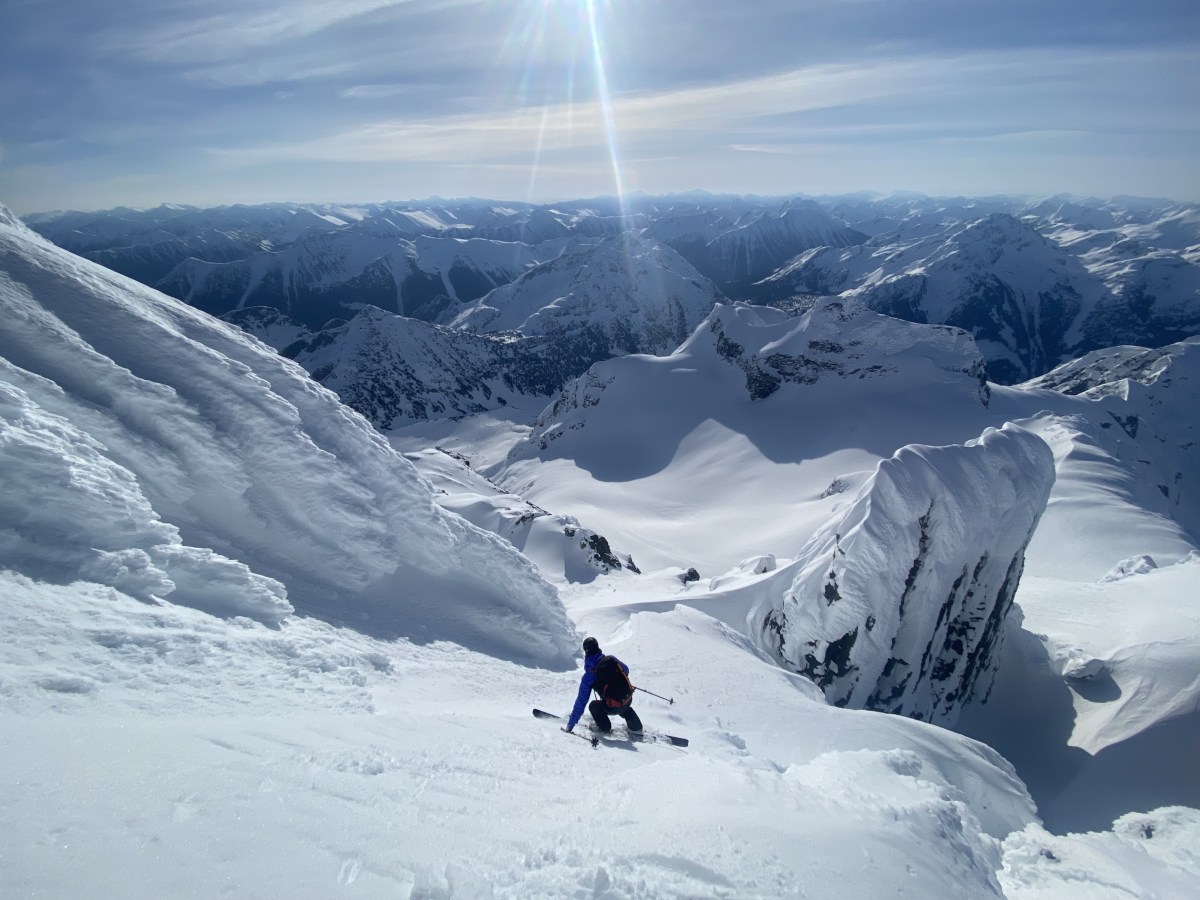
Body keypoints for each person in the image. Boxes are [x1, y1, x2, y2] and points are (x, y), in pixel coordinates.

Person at [564, 637, 644, 735]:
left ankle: (605, 728)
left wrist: (570, 725)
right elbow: (626, 670)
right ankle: (636, 728)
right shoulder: (611, 659)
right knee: (623, 705)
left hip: (612, 706)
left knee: (594, 706)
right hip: (628, 699)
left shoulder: (589, 675)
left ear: (586, 651)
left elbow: (581, 702)